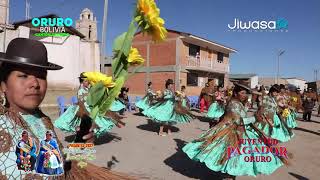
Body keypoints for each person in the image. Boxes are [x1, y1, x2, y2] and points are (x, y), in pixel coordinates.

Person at [0, 38, 132, 179]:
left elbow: (63, 165)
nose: (34, 83)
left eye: (41, 76)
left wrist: (83, 145)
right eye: (23, 75)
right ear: (3, 85)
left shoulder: (43, 120)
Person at [183, 83, 289, 178]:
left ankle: (231, 175)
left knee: (238, 156)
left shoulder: (238, 102)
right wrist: (254, 118)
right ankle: (229, 175)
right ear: (236, 93)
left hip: (240, 130)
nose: (244, 95)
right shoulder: (233, 103)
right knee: (231, 155)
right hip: (231, 131)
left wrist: (247, 109)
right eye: (242, 93)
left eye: (245, 93)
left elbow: (241, 114)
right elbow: (238, 120)